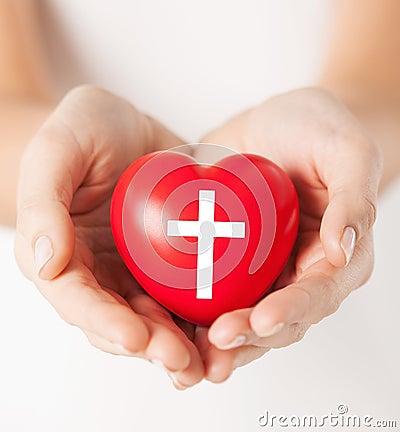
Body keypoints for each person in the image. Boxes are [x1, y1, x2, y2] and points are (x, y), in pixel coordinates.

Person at [0, 0, 399, 393]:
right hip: (60, 363)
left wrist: (341, 151)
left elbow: (385, 86)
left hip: (348, 344)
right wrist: (53, 178)